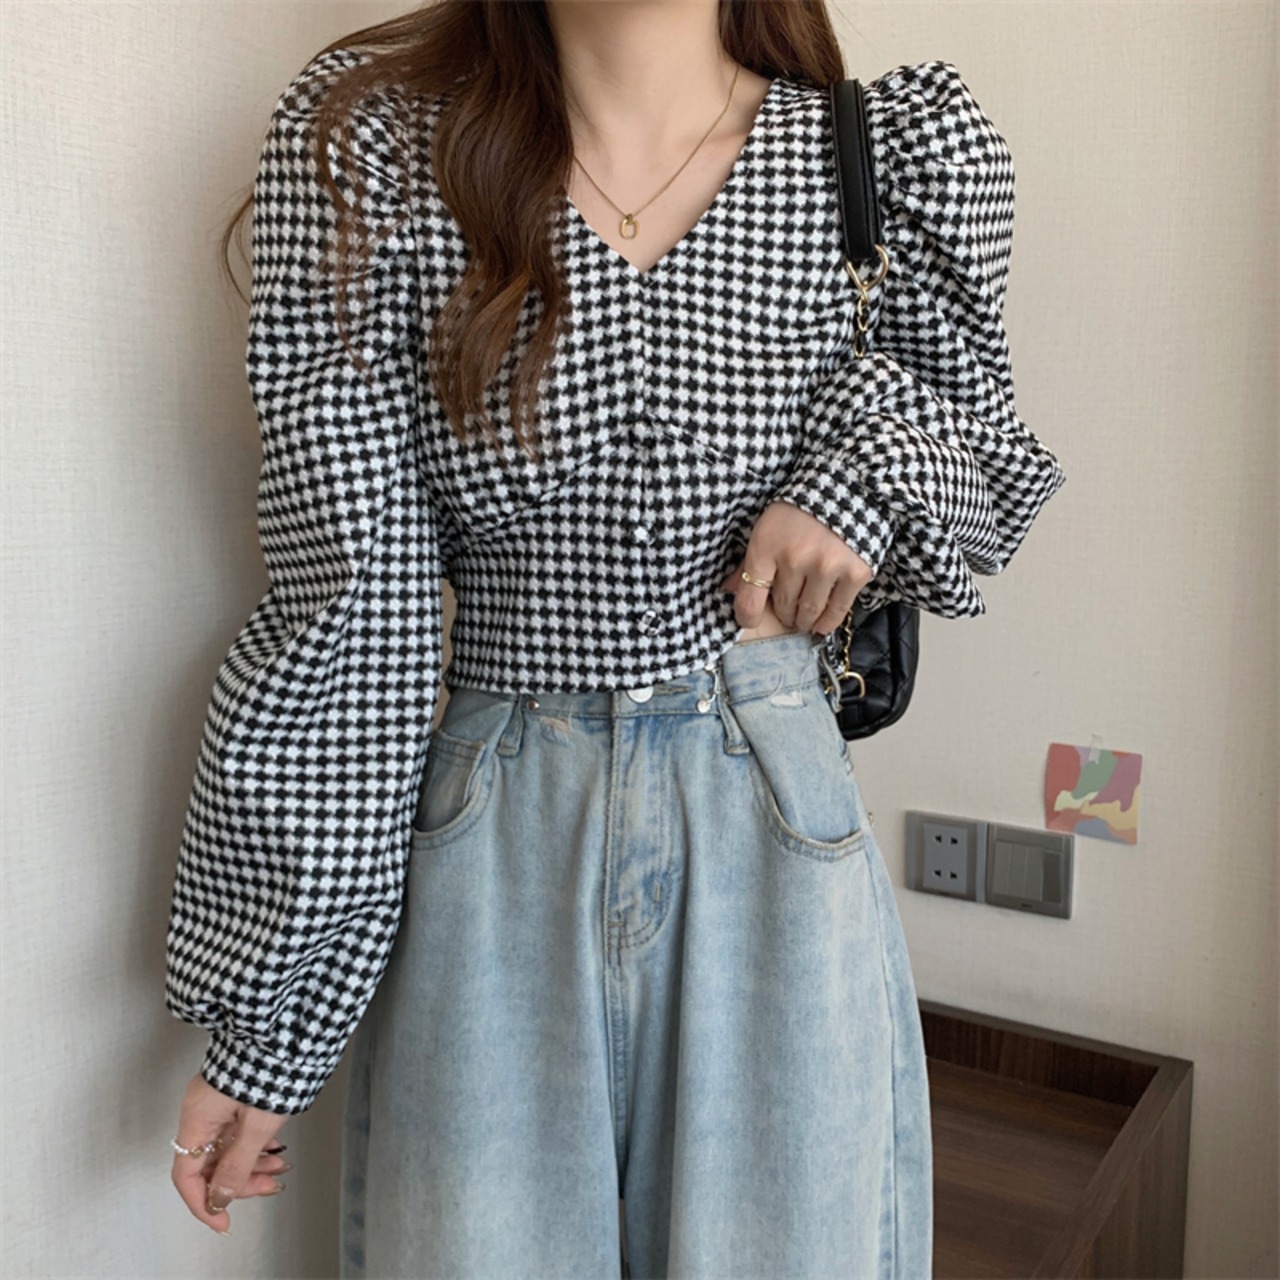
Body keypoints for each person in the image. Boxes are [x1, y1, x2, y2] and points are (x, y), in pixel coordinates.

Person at [164, 1, 1066, 1275]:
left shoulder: (876, 155)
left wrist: (857, 487)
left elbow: (977, 442)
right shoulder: (378, 155)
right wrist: (274, 1025)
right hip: (493, 838)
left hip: (772, 827)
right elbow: (352, 609)